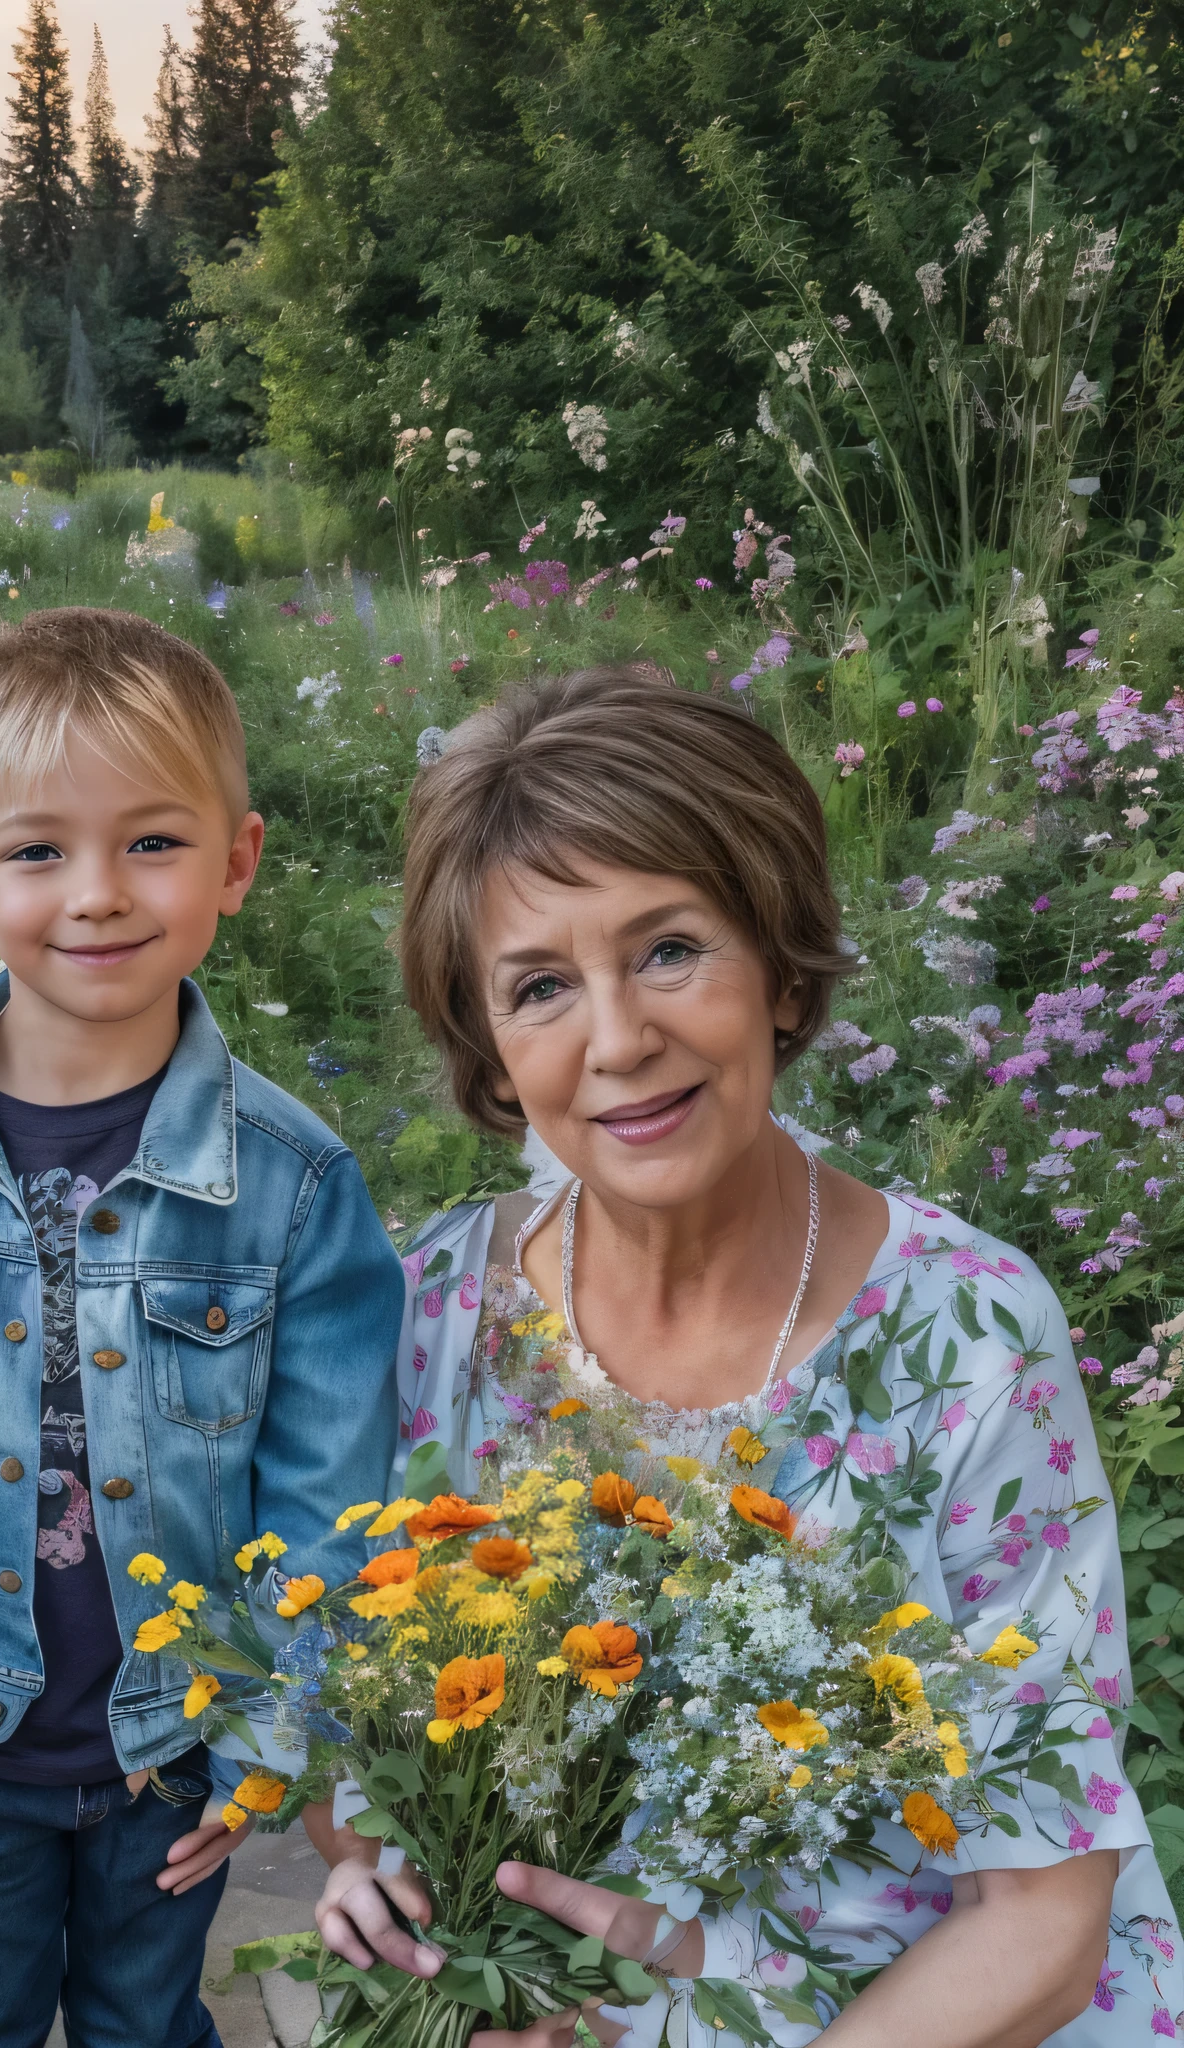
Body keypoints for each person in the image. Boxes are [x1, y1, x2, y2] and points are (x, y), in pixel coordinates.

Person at [311, 665, 1184, 2046]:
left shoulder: (970, 1334)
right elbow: (359, 1726)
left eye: (669, 949)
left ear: (780, 967)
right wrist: (394, 1893)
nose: (618, 1039)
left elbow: (1043, 1929)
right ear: (488, 1043)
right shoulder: (429, 1315)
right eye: (540, 986)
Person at [0, 607, 403, 2048]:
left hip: (176, 1752)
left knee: (146, 2024)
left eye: (153, 843)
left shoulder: (294, 1186)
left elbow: (329, 1492)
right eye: (38, 850)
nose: (97, 894)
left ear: (236, 859)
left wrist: (271, 1737)